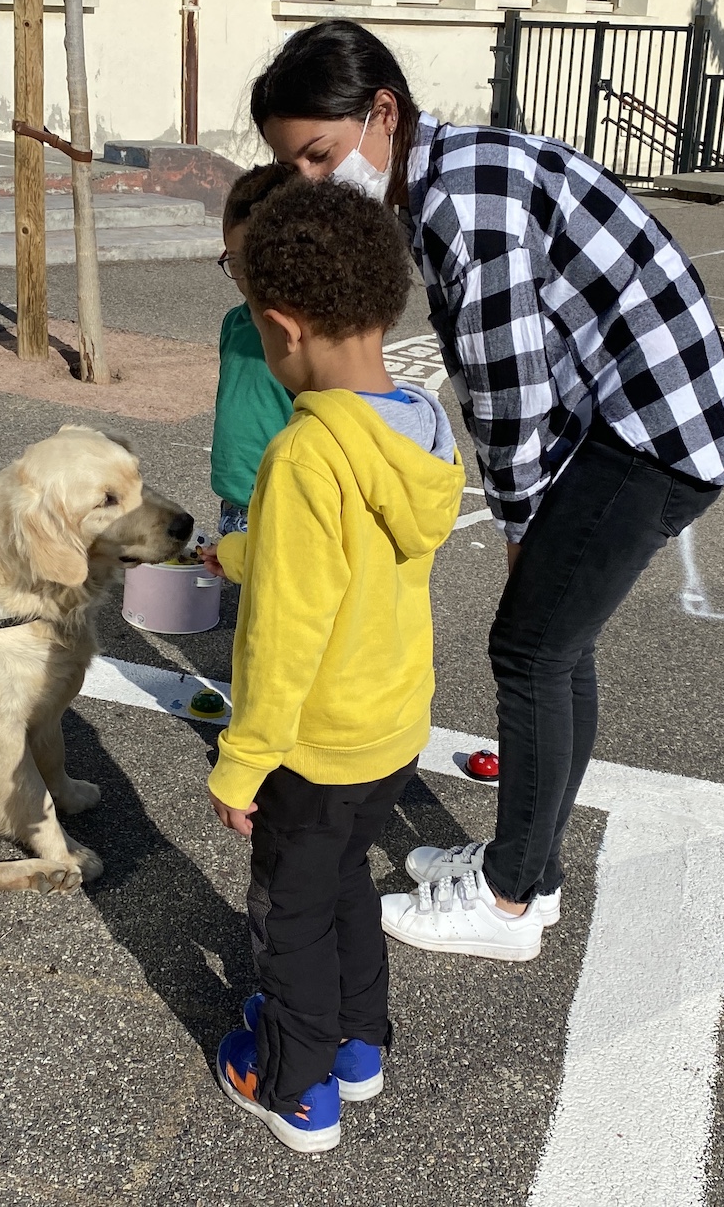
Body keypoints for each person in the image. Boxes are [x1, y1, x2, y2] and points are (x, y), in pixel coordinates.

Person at [249, 19, 724, 962]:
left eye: (323, 155)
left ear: (383, 113)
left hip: (654, 435)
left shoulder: (463, 197)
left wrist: (521, 525)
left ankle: (507, 899)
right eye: (297, 169)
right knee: (555, 646)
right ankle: (530, 867)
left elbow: (506, 386)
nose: (317, 185)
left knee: (530, 648)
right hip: (647, 421)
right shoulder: (451, 172)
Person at [200, 177, 464, 1153]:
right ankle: (359, 1046)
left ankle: (293, 1081)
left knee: (291, 916)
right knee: (342, 880)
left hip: (314, 746)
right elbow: (337, 559)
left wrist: (242, 760)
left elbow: (284, 630)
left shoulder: (307, 455)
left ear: (283, 327)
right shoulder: (416, 427)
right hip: (392, 728)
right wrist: (228, 554)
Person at [210, 163, 297, 537]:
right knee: (245, 593)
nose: (244, 277)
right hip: (235, 499)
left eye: (253, 262)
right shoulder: (235, 323)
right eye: (234, 262)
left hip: (285, 499)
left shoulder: (302, 335)